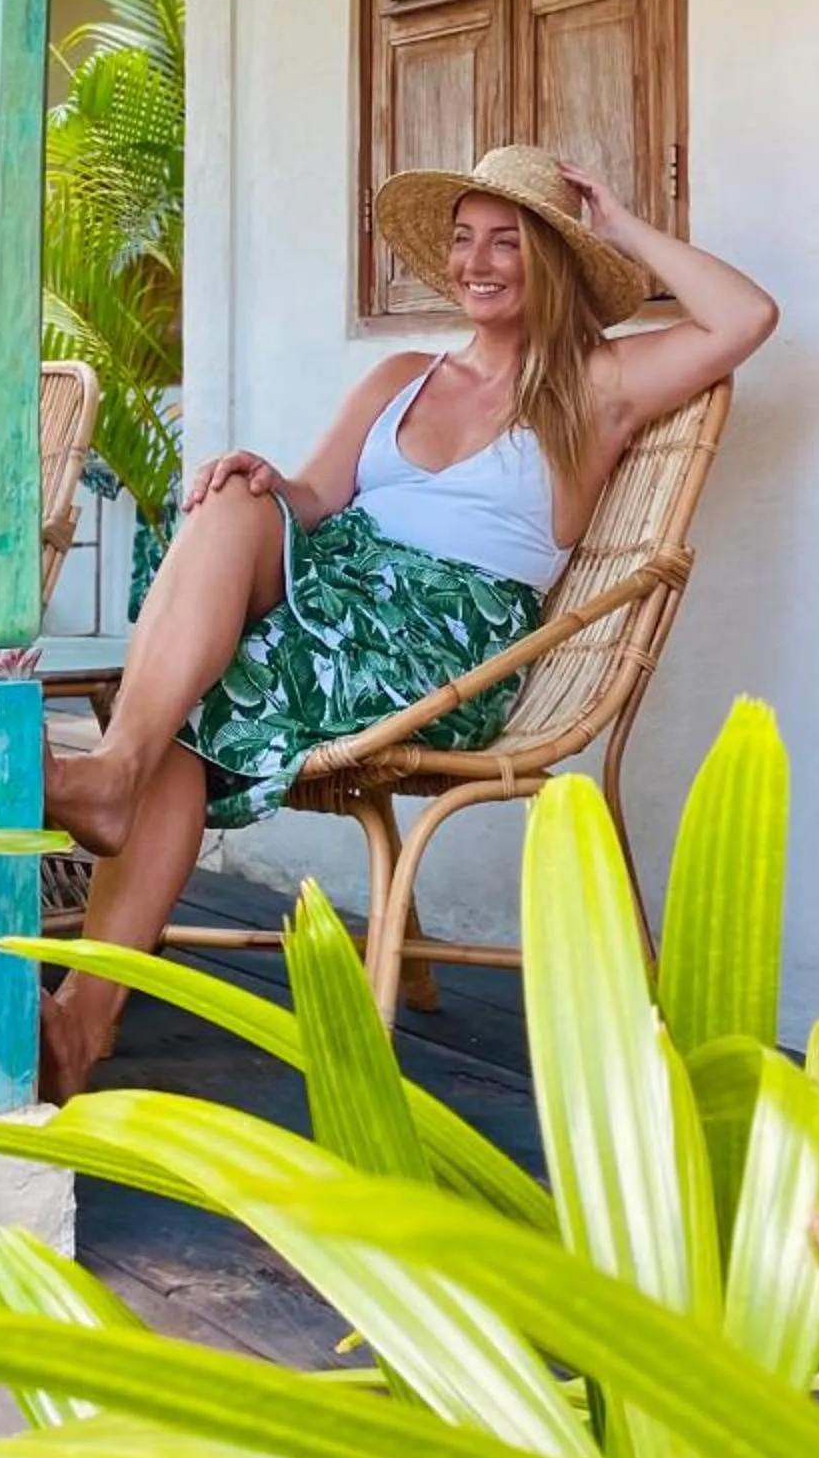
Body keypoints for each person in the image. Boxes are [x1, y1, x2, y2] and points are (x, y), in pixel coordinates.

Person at [38, 143, 778, 1100]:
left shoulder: (597, 385)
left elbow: (747, 317)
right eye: (464, 239)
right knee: (227, 512)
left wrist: (620, 227)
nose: (477, 260)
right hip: (331, 598)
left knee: (193, 723)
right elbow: (309, 497)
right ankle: (81, 1012)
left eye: (506, 241)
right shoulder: (398, 377)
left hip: (439, 645)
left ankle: (112, 801)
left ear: (549, 256)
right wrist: (258, 479)